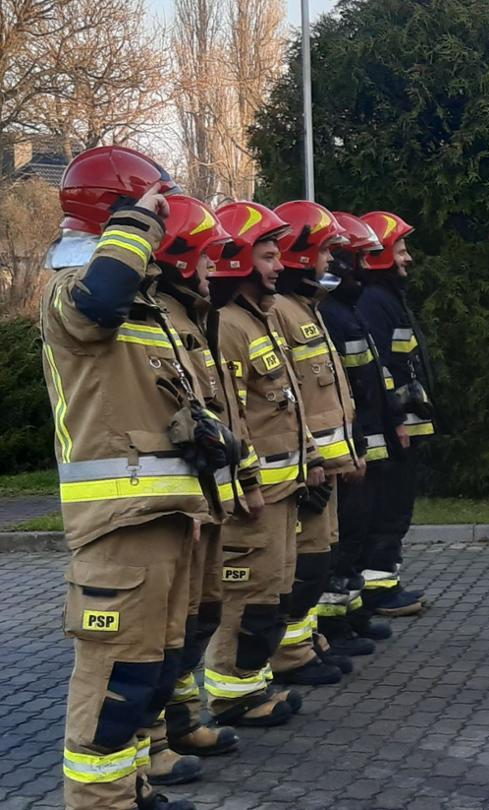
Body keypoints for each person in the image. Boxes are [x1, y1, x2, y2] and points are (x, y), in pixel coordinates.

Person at [41, 145, 223, 810]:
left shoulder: (146, 310)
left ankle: (130, 789)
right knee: (115, 682)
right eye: (151, 212)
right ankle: (99, 803)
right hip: (120, 526)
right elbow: (99, 302)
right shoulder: (74, 294)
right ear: (117, 213)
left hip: (165, 518)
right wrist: (133, 224)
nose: (161, 228)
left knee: (147, 675)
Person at [145, 194, 252, 790]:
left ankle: (182, 723)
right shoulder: (155, 316)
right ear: (179, 258)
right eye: (206, 257)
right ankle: (156, 739)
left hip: (208, 499)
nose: (215, 268)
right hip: (179, 504)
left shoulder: (184, 317)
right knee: (165, 630)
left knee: (197, 619)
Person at [202, 201, 312, 725]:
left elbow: (285, 404)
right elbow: (230, 417)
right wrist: (244, 486)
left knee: (270, 594)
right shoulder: (227, 325)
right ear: (239, 263)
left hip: (281, 489)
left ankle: (254, 683)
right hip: (255, 496)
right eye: (268, 256)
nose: (278, 266)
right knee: (246, 597)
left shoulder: (259, 320)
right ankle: (231, 695)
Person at [265, 200, 366, 681]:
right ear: (300, 255)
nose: (332, 262)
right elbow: (285, 398)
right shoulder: (282, 312)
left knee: (317, 560)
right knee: (302, 568)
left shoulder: (305, 308)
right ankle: (289, 654)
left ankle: (305, 643)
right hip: (307, 467)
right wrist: (311, 457)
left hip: (324, 462)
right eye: (325, 251)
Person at [313, 213, 396, 651]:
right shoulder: (331, 315)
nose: (364, 268)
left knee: (357, 533)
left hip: (359, 440)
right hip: (345, 446)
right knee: (341, 539)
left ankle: (351, 612)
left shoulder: (346, 312)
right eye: (356, 259)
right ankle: (333, 624)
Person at [356, 211, 432, 611]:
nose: (409, 258)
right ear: (383, 255)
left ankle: (387, 582)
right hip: (394, 429)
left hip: (404, 425)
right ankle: (380, 590)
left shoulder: (385, 299)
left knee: (397, 509)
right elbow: (383, 367)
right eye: (401, 250)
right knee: (387, 510)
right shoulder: (374, 302)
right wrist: (398, 419)